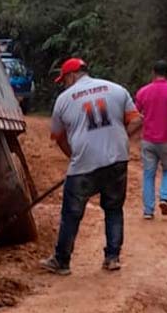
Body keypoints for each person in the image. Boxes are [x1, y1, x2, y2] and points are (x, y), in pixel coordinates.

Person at [40, 58, 141, 275]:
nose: (64, 84)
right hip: (117, 160)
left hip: (83, 165)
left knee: (71, 213)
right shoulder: (117, 90)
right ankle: (112, 257)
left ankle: (62, 261)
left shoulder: (64, 100)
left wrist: (74, 156)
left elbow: (58, 137)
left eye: (64, 79)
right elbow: (136, 120)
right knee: (113, 208)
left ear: (72, 75)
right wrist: (121, 138)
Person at [134, 60, 167, 219]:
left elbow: (135, 115)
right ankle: (164, 198)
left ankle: (148, 211)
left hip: (148, 139)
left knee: (148, 175)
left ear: (153, 72)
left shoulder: (143, 92)